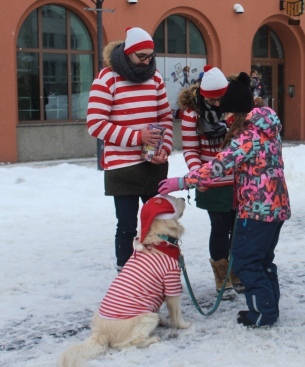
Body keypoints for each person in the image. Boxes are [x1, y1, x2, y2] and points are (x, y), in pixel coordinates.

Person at [159, 72, 290, 328]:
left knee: (247, 261)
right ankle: (268, 307)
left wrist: (181, 182)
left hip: (256, 209)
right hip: (276, 207)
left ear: (237, 112)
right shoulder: (267, 128)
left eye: (227, 114)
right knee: (263, 260)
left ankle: (262, 313)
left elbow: (217, 166)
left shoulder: (247, 137)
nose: (225, 119)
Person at [87, 27, 173, 272]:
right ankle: (126, 275)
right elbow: (95, 125)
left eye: (150, 56)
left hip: (153, 164)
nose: (147, 61)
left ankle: (157, 272)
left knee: (159, 224)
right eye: (141, 56)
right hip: (121, 167)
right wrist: (138, 137)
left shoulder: (155, 78)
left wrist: (164, 148)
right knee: (126, 226)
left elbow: (165, 117)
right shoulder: (107, 78)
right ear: (128, 53)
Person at [177, 65, 241, 300]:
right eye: (212, 100)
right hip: (211, 181)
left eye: (220, 99)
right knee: (220, 227)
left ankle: (237, 272)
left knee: (239, 228)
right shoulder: (192, 114)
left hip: (237, 180)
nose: (216, 105)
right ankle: (221, 277)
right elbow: (191, 149)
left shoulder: (235, 110)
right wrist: (197, 174)